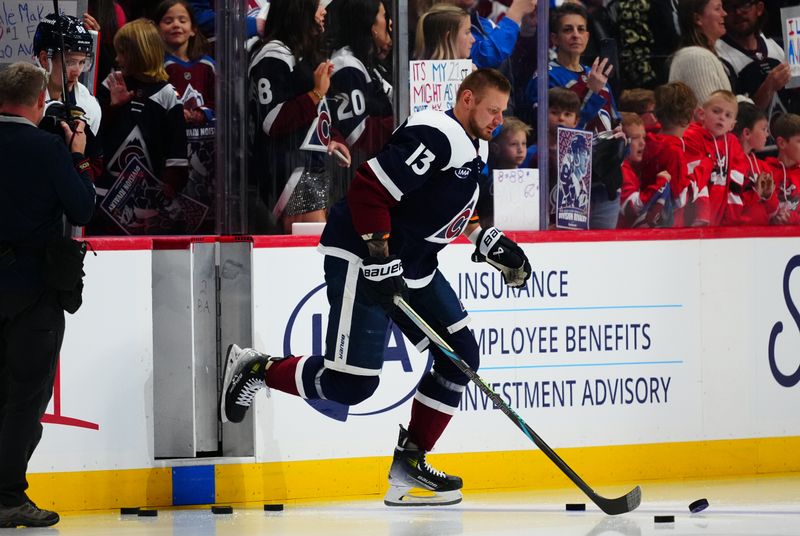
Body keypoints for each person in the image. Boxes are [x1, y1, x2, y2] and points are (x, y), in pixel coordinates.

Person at [220, 69, 531, 507]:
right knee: (351, 385)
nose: (498, 120)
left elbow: (453, 210)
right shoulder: (438, 135)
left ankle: (410, 465)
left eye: (502, 112)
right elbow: (369, 189)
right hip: (363, 258)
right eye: (491, 110)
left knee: (459, 358)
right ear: (466, 100)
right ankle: (257, 369)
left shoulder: (473, 142)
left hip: (412, 266)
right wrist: (380, 259)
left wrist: (488, 242)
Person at [0, 62, 95, 529]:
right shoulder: (47, 148)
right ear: (40, 102)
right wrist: (77, 155)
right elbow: (81, 206)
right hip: (33, 290)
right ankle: (8, 496)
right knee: (24, 397)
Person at [248, 0, 351, 234]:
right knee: (311, 253)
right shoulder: (274, 54)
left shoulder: (300, 52)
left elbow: (317, 112)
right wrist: (315, 93)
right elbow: (272, 121)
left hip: (309, 166)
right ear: (300, 10)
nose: (324, 11)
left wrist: (332, 138)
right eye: (318, 6)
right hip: (291, 173)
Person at [91, 18, 189, 235]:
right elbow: (92, 139)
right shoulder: (111, 84)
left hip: (148, 205)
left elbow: (177, 156)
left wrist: (167, 189)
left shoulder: (168, 96)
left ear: (141, 53)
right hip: (105, 196)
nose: (116, 58)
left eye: (122, 52)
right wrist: (112, 107)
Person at [327, 0, 393, 199]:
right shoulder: (347, 66)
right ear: (370, 25)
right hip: (357, 182)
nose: (389, 23)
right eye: (384, 15)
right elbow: (357, 135)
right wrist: (407, 120)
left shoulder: (369, 63)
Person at [526, 3, 619, 134]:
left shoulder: (596, 75)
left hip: (604, 153)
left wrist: (621, 133)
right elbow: (554, 131)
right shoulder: (545, 76)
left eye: (581, 29)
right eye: (568, 30)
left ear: (587, 37)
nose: (576, 35)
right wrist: (592, 92)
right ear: (555, 38)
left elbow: (615, 120)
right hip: (565, 154)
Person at [715, 0, 796, 118]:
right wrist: (768, 87)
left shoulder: (775, 47)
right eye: (731, 7)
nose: (738, 12)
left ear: (759, 8)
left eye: (744, 4)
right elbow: (735, 118)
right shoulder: (718, 54)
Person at [682, 89, 748, 225]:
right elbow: (696, 178)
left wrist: (731, 222)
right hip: (692, 219)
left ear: (732, 125)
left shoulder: (732, 143)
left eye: (728, 115)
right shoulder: (692, 136)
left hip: (720, 220)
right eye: (716, 111)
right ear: (701, 114)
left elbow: (735, 186)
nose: (722, 117)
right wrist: (701, 215)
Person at [33, 14, 102, 137]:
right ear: (44, 59)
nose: (77, 72)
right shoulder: (22, 100)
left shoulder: (89, 105)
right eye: (69, 62)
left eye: (82, 62)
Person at [640, 81, 696, 226]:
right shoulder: (674, 152)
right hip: (667, 226)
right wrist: (700, 174)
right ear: (690, 115)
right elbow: (679, 200)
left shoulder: (645, 139)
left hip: (644, 219)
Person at [668, 0, 732, 105]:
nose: (724, 13)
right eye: (717, 8)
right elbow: (711, 112)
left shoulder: (701, 55)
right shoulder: (697, 57)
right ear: (698, 19)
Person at [618, 112, 672, 228]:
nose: (643, 143)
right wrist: (661, 183)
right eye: (635, 138)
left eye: (644, 137)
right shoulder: (621, 169)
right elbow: (632, 208)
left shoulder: (629, 168)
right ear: (621, 141)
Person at [731, 101, 778, 224]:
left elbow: (772, 210)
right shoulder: (730, 162)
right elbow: (730, 207)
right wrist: (756, 195)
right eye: (764, 129)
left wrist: (768, 196)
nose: (767, 134)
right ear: (747, 133)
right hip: (734, 235)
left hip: (761, 234)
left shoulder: (762, 166)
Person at [764, 113, 800, 225]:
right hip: (766, 238)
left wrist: (793, 219)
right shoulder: (763, 170)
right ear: (782, 143)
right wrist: (771, 217)